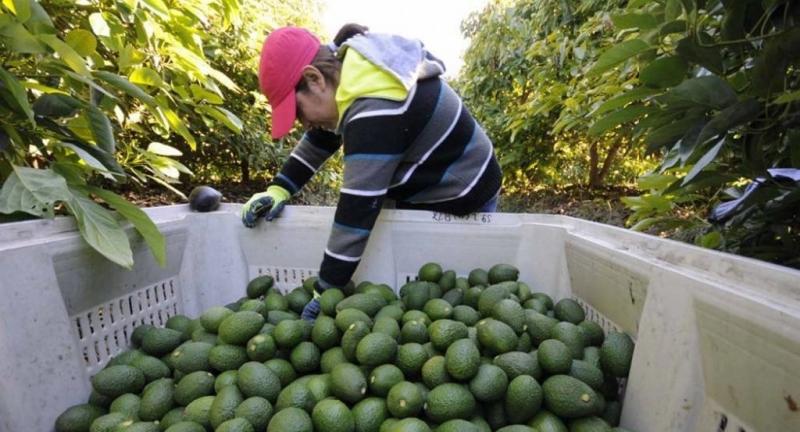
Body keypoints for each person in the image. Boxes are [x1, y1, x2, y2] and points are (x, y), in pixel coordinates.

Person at [242, 24, 502, 321]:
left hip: (462, 188)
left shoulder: (376, 110)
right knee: (415, 291)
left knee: (448, 291)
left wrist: (326, 290)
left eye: (298, 113)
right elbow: (321, 138)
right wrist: (280, 188)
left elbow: (357, 211)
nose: (303, 124)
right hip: (427, 180)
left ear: (314, 79)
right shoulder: (354, 72)